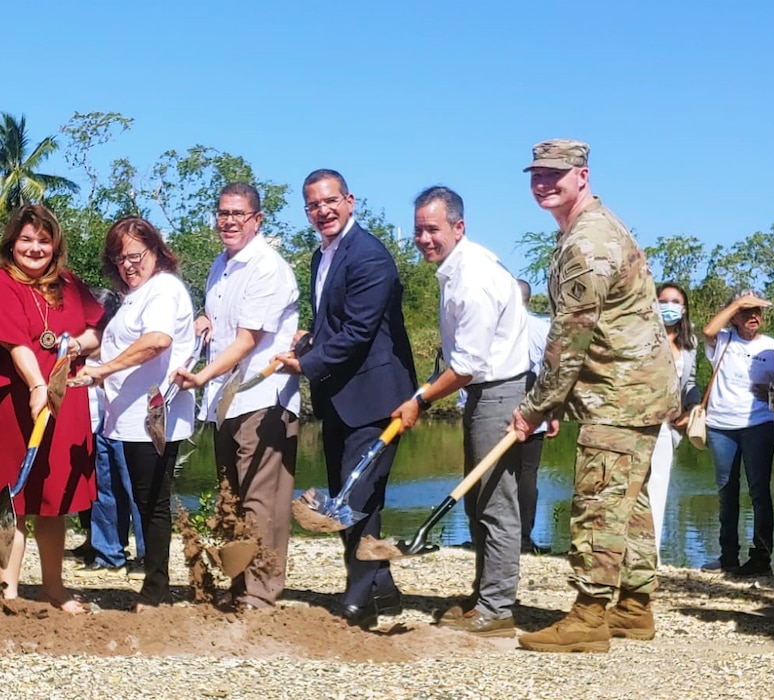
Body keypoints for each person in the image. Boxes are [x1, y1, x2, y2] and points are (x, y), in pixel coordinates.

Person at [511, 139, 679, 653]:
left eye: (555, 175)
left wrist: (535, 406)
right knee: (628, 503)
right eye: (536, 174)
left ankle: (588, 616)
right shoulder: (592, 228)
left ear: (582, 175)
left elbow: (569, 337)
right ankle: (633, 606)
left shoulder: (587, 242)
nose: (544, 183)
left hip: (619, 392)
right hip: (634, 389)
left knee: (599, 503)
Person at [275, 170, 417, 628]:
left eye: (330, 201)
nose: (323, 211)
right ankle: (383, 588)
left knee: (353, 496)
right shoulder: (323, 256)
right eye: (313, 205)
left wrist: (306, 363)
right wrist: (310, 335)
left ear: (350, 201)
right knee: (356, 496)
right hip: (339, 394)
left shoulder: (370, 256)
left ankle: (357, 600)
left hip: (377, 396)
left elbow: (359, 331)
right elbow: (336, 321)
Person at [390, 186, 529, 637]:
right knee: (479, 500)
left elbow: (467, 366)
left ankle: (497, 609)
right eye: (419, 230)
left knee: (495, 503)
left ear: (458, 227)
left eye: (433, 229)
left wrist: (421, 400)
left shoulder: (473, 279)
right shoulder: (455, 271)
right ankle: (483, 595)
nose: (425, 238)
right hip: (483, 394)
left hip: (499, 393)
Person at [0, 204, 102, 614]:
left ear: (55, 244)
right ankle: (9, 592)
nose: (35, 248)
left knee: (52, 499)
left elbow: (95, 330)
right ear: (12, 243)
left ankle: (54, 588)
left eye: (43, 240)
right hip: (13, 402)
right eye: (26, 239)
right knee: (14, 499)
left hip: (63, 398)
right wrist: (37, 384)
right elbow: (12, 340)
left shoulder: (70, 284)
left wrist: (76, 345)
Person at [173, 183, 300, 610]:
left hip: (262, 398)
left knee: (262, 502)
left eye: (239, 214)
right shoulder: (220, 266)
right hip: (225, 399)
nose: (229, 221)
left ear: (257, 219)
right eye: (223, 213)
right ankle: (241, 585)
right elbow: (225, 324)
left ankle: (261, 596)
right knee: (233, 496)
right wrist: (205, 319)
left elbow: (247, 340)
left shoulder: (267, 267)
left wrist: (200, 375)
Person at [73, 217, 195, 610]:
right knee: (146, 501)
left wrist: (104, 370)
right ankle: (156, 584)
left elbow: (157, 341)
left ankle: (157, 588)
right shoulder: (134, 296)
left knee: (152, 503)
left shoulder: (163, 289)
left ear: (156, 251)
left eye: (135, 255)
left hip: (153, 417)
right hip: (127, 419)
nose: (128, 264)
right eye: (119, 258)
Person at [699, 290, 774, 577]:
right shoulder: (722, 340)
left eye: (757, 310)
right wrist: (735, 304)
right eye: (746, 311)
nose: (753, 316)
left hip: (759, 425)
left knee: (759, 492)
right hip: (721, 426)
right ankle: (728, 556)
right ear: (734, 316)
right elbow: (707, 330)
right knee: (726, 492)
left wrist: (771, 393)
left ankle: (761, 559)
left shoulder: (772, 347)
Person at [75, 287, 146, 578]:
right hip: (100, 426)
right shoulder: (80, 356)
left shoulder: (123, 349)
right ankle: (107, 554)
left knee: (135, 490)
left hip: (128, 421)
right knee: (103, 489)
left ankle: (146, 556)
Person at [649, 282, 701, 562]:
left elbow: (689, 382)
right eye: (663, 300)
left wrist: (691, 406)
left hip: (667, 426)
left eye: (675, 301)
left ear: (683, 309)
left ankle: (651, 555)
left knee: (658, 484)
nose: (669, 306)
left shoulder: (688, 346)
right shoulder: (641, 337)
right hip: (638, 420)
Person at [517, 279, 552, 555]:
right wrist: (552, 412)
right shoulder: (543, 328)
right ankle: (523, 538)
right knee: (528, 474)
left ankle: (489, 537)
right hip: (534, 407)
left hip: (498, 407)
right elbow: (550, 373)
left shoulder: (493, 325)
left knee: (494, 474)